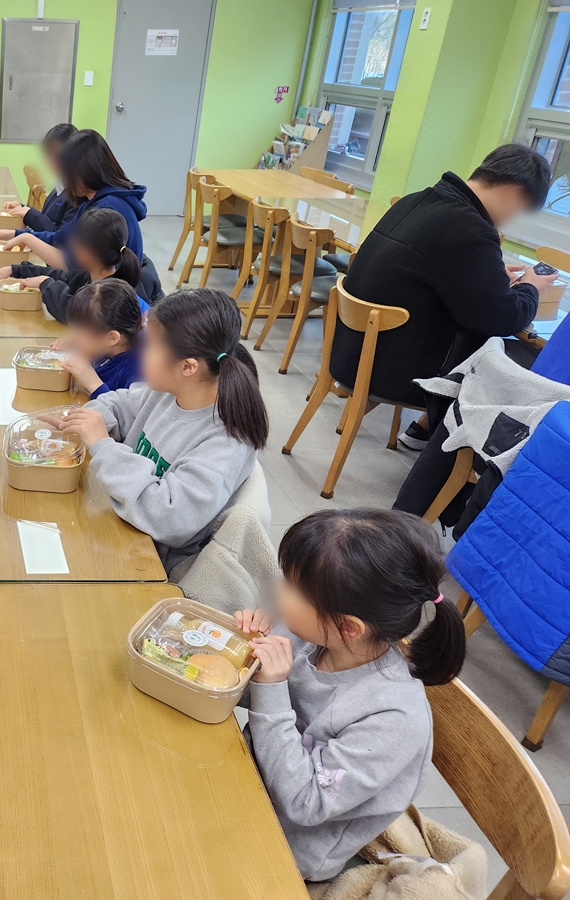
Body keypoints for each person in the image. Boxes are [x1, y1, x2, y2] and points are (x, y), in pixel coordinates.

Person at [234, 508, 465, 883]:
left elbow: (305, 802)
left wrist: (272, 687)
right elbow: (244, 696)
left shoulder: (394, 718)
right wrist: (245, 653)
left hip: (286, 846)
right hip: (244, 779)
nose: (278, 590)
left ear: (349, 627)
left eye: (293, 585)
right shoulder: (311, 637)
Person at [337, 144, 557, 448]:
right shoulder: (471, 230)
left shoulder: (418, 200)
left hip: (350, 350)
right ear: (514, 193)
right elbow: (503, 317)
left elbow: (434, 271)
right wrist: (531, 287)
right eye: (519, 209)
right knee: (504, 351)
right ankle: (453, 452)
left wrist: (487, 275)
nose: (510, 219)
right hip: (393, 370)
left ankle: (426, 427)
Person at [51, 289, 268, 570]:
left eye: (150, 345)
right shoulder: (169, 389)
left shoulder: (223, 444)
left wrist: (103, 446)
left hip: (152, 558)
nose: (140, 352)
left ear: (188, 367)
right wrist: (85, 420)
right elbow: (120, 404)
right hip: (125, 519)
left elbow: (169, 517)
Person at [0, 129, 148, 266]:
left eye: (67, 173)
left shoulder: (108, 209)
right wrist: (13, 234)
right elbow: (59, 239)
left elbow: (72, 263)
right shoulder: (91, 200)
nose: (64, 180)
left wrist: (27, 239)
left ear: (85, 171)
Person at [0, 207, 163, 322]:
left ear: (88, 252)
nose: (70, 243)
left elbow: (72, 312)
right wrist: (14, 270)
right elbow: (63, 276)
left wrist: (45, 284)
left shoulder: (111, 295)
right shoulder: (94, 272)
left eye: (75, 239)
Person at [51, 280, 143, 398]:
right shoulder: (109, 349)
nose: (73, 336)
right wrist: (81, 346)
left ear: (111, 338)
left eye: (79, 331)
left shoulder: (139, 373)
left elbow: (126, 409)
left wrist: (93, 383)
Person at [0, 122, 78, 232]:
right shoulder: (60, 184)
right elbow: (47, 218)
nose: (49, 160)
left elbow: (59, 236)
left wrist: (29, 214)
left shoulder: (77, 193)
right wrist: (22, 208)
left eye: (55, 154)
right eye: (48, 154)